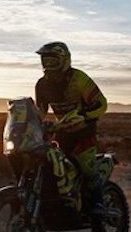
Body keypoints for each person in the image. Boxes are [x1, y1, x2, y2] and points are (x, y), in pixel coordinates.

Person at [35, 41, 107, 215]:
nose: (48, 65)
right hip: (62, 131)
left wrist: (84, 115)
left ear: (64, 59)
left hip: (84, 131)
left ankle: (98, 202)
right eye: (45, 61)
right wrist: (34, 124)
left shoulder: (79, 79)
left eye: (52, 60)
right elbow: (40, 111)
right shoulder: (42, 85)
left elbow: (101, 103)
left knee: (86, 166)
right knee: (52, 165)